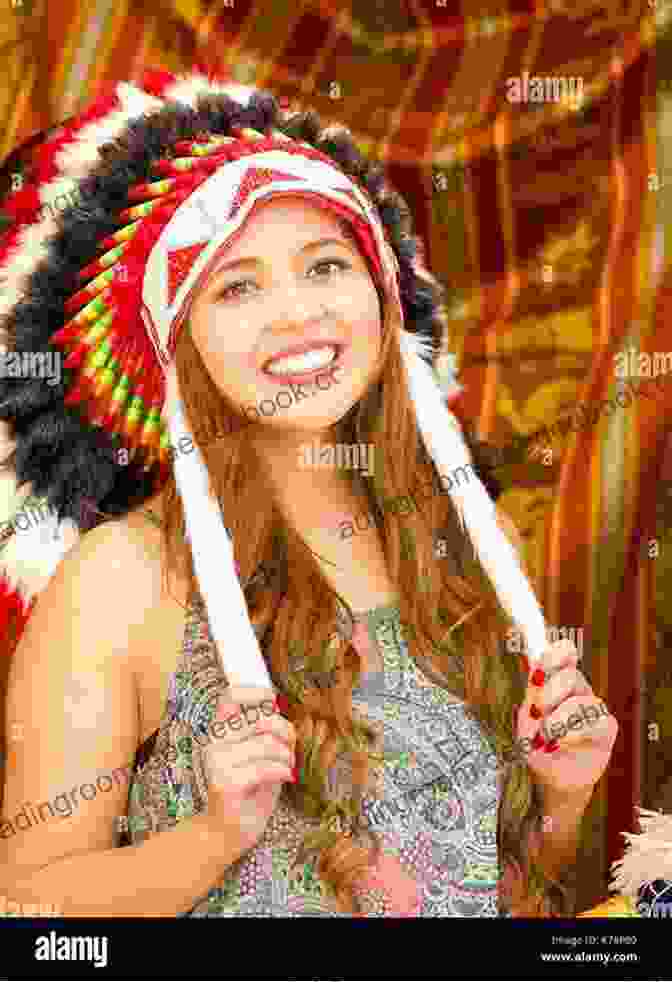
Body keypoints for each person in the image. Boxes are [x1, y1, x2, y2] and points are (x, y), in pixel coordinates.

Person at [0, 68, 617, 917]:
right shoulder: (119, 581)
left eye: (325, 265)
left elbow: (481, 886)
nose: (297, 315)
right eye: (238, 285)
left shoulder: (467, 547)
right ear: (177, 343)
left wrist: (563, 799)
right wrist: (213, 837)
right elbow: (28, 909)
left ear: (381, 297)